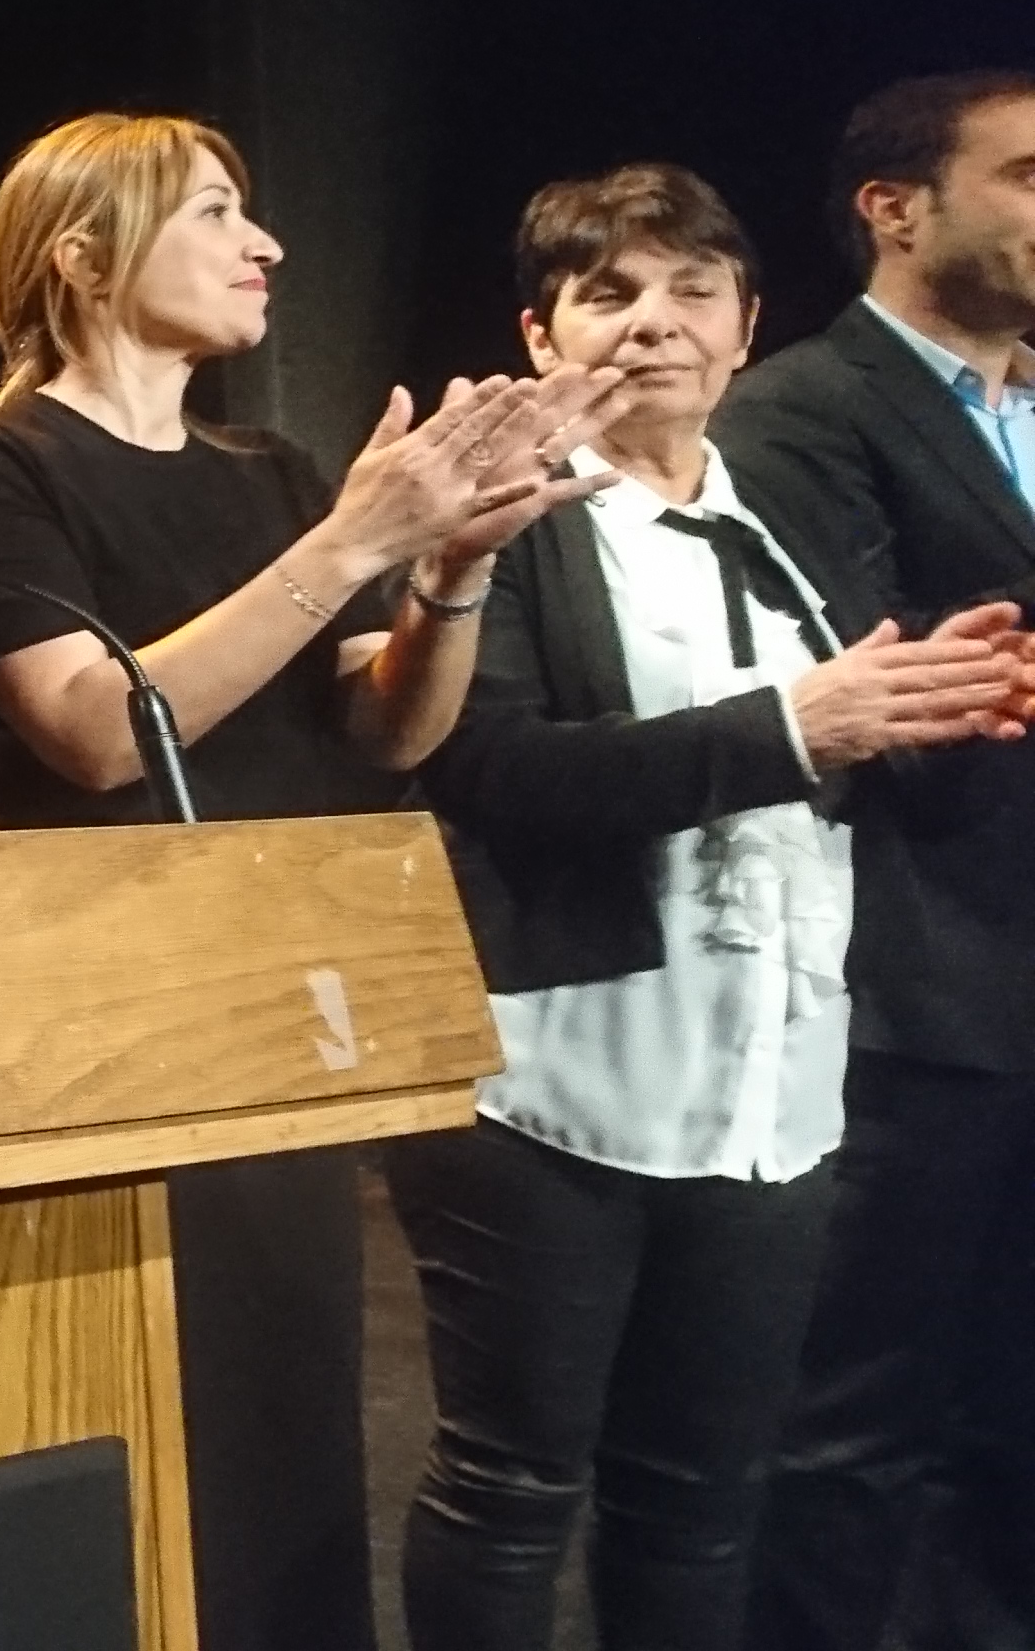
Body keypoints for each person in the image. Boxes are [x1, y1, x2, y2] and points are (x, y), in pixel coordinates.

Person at [0, 112, 623, 1651]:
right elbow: (102, 732)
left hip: (273, 1017)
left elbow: (391, 729)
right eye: (216, 212)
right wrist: (352, 544)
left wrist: (452, 570)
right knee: (138, 1455)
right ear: (83, 253)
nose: (266, 245)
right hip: (99, 1032)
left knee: (287, 1453)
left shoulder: (270, 468)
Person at [402, 164, 1035, 1651]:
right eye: (608, 295)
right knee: (511, 1488)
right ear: (540, 334)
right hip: (560, 1081)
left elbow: (844, 736)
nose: (656, 324)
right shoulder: (512, 520)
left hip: (772, 1091)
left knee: (702, 1500)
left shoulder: (778, 519)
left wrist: (935, 704)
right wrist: (796, 731)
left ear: (746, 327)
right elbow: (485, 768)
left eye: (695, 293)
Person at [719, 71, 1035, 1651]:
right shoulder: (802, 412)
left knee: (1011, 1413)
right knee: (861, 1419)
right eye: (1028, 175)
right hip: (919, 989)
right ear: (895, 208)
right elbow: (891, 691)